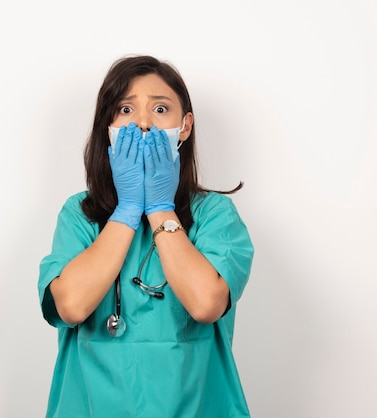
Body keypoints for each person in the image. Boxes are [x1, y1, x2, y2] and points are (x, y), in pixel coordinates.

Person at [38, 54, 254, 417]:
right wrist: (125, 212)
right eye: (125, 109)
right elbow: (70, 306)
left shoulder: (214, 215)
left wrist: (159, 209)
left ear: (184, 127)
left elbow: (206, 304)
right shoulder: (80, 215)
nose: (142, 123)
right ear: (107, 126)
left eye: (160, 109)